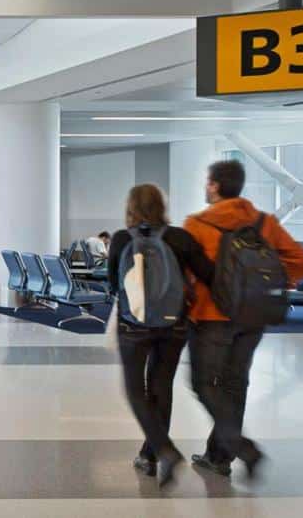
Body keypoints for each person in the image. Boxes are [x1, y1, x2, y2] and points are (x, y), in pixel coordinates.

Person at [182, 160, 303, 481]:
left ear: (214, 186)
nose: (206, 186)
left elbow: (185, 274)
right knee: (235, 383)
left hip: (211, 316)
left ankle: (243, 447)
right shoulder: (264, 222)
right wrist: (268, 283)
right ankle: (218, 457)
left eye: (207, 182)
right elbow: (301, 260)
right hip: (252, 316)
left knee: (203, 384)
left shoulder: (197, 224)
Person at [107, 184, 213, 487]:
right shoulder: (180, 237)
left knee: (134, 389)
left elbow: (114, 284)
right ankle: (151, 454)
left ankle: (164, 451)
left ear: (131, 207)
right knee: (161, 386)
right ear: (161, 206)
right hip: (173, 325)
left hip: (133, 324)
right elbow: (209, 274)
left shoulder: (122, 239)